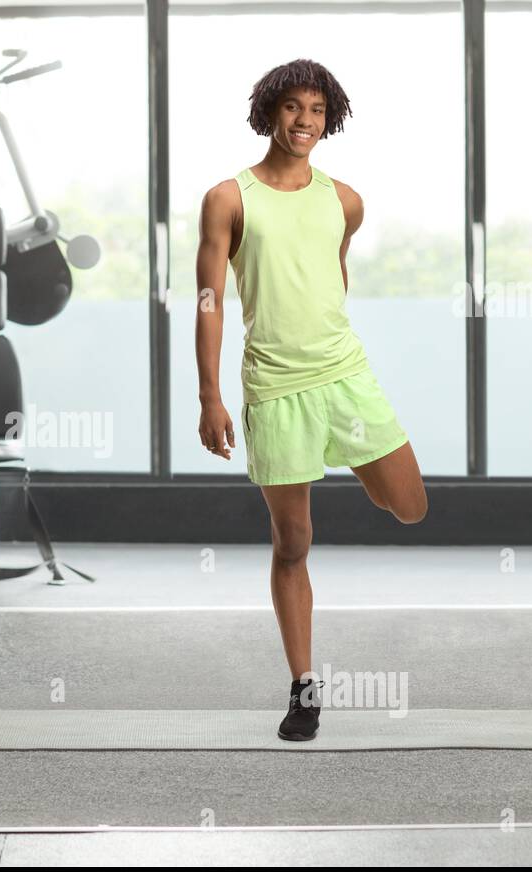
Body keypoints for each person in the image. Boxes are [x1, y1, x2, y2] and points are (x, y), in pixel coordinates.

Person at [194, 58, 428, 742]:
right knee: (293, 542)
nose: (305, 121)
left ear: (332, 118)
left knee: (409, 506)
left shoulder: (344, 199)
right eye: (293, 107)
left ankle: (347, 455)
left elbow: (334, 272)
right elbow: (209, 300)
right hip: (274, 387)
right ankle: (304, 690)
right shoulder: (227, 199)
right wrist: (210, 396)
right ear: (270, 111)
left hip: (343, 378)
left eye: (318, 110)